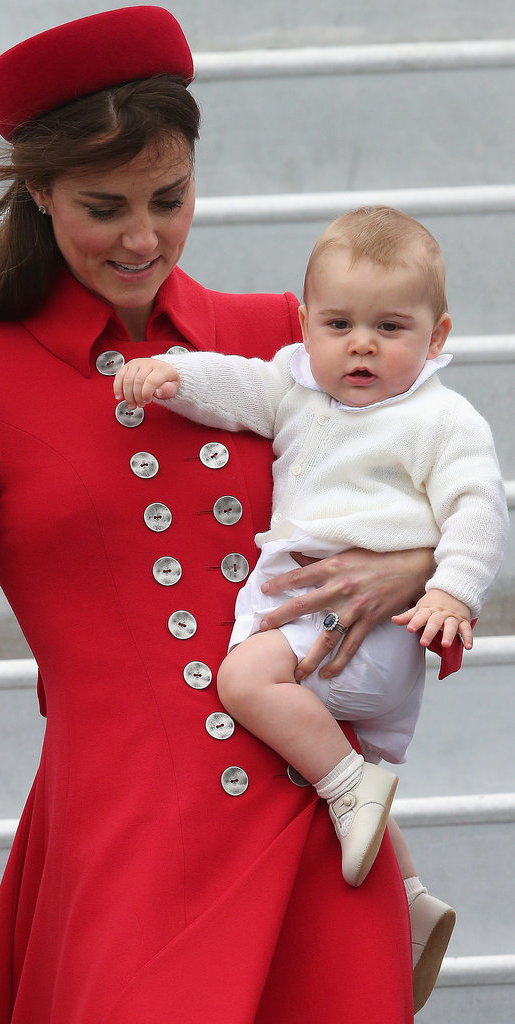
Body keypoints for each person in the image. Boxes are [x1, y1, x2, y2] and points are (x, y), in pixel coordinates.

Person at [0, 10, 442, 1023]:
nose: (144, 238)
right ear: (40, 190)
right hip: (125, 846)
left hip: (312, 826)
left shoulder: (277, 333)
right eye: (105, 207)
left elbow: (417, 502)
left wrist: (413, 566)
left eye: (170, 199)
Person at [113, 204, 509, 1010]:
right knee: (293, 721)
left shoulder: (439, 418)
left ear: (436, 339)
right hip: (323, 626)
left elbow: (479, 506)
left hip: (360, 634)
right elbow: (241, 385)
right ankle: (410, 894)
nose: (360, 344)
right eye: (339, 324)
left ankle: (350, 791)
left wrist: (449, 588)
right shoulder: (300, 391)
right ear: (304, 326)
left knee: (245, 683)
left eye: (390, 327)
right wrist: (174, 376)